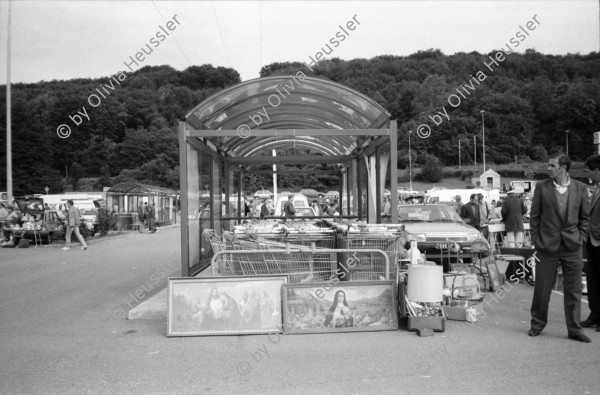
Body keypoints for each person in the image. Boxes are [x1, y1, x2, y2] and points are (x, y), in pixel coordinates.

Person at [529, 154, 590, 342]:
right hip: (546, 246)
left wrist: (581, 238)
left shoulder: (580, 188)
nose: (548, 168)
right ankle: (537, 324)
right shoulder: (542, 187)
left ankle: (575, 330)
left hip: (573, 246)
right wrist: (537, 241)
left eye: (552, 165)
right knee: (542, 288)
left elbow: (584, 218)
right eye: (548, 165)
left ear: (563, 168)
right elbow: (534, 217)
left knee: (573, 290)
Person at [581, 154, 600, 331]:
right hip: (593, 243)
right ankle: (595, 315)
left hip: (598, 241)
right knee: (593, 279)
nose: (588, 175)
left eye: (589, 171)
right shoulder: (596, 188)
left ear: (597, 170)